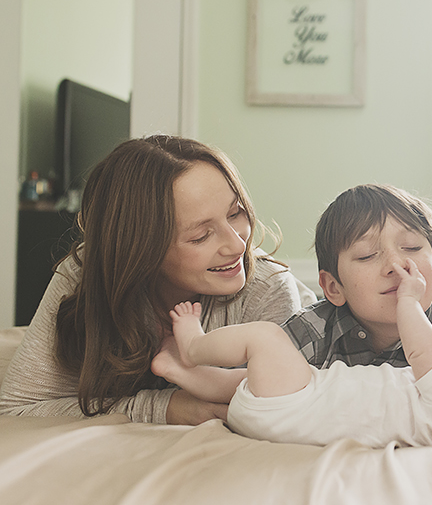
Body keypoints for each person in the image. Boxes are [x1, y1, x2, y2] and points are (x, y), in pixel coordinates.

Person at [0, 135, 317, 424]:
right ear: (140, 250)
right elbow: (17, 407)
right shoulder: (84, 273)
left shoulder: (267, 286)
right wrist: (166, 408)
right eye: (200, 236)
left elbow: (292, 404)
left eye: (235, 213)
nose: (237, 244)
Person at [152, 256, 432, 451]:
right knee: (243, 383)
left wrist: (409, 300)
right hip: (296, 413)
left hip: (300, 404)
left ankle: (192, 347)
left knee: (263, 340)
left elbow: (423, 351)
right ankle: (180, 372)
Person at [281, 184, 432, 373]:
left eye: (411, 247)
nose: (396, 265)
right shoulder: (306, 336)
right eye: (366, 255)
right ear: (334, 287)